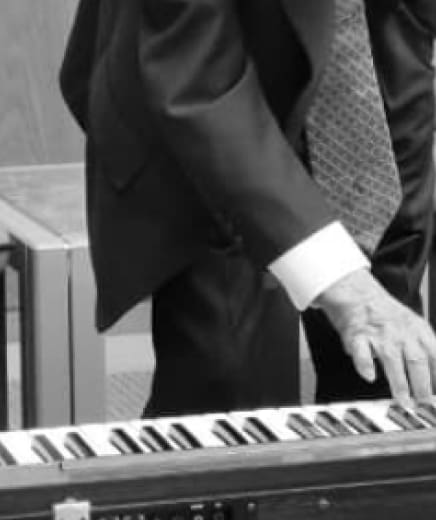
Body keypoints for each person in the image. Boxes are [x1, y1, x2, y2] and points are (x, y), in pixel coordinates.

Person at [60, 0, 436, 417]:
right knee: (233, 386)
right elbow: (197, 83)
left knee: (391, 371)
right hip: (194, 90)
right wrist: (341, 281)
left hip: (371, 69)